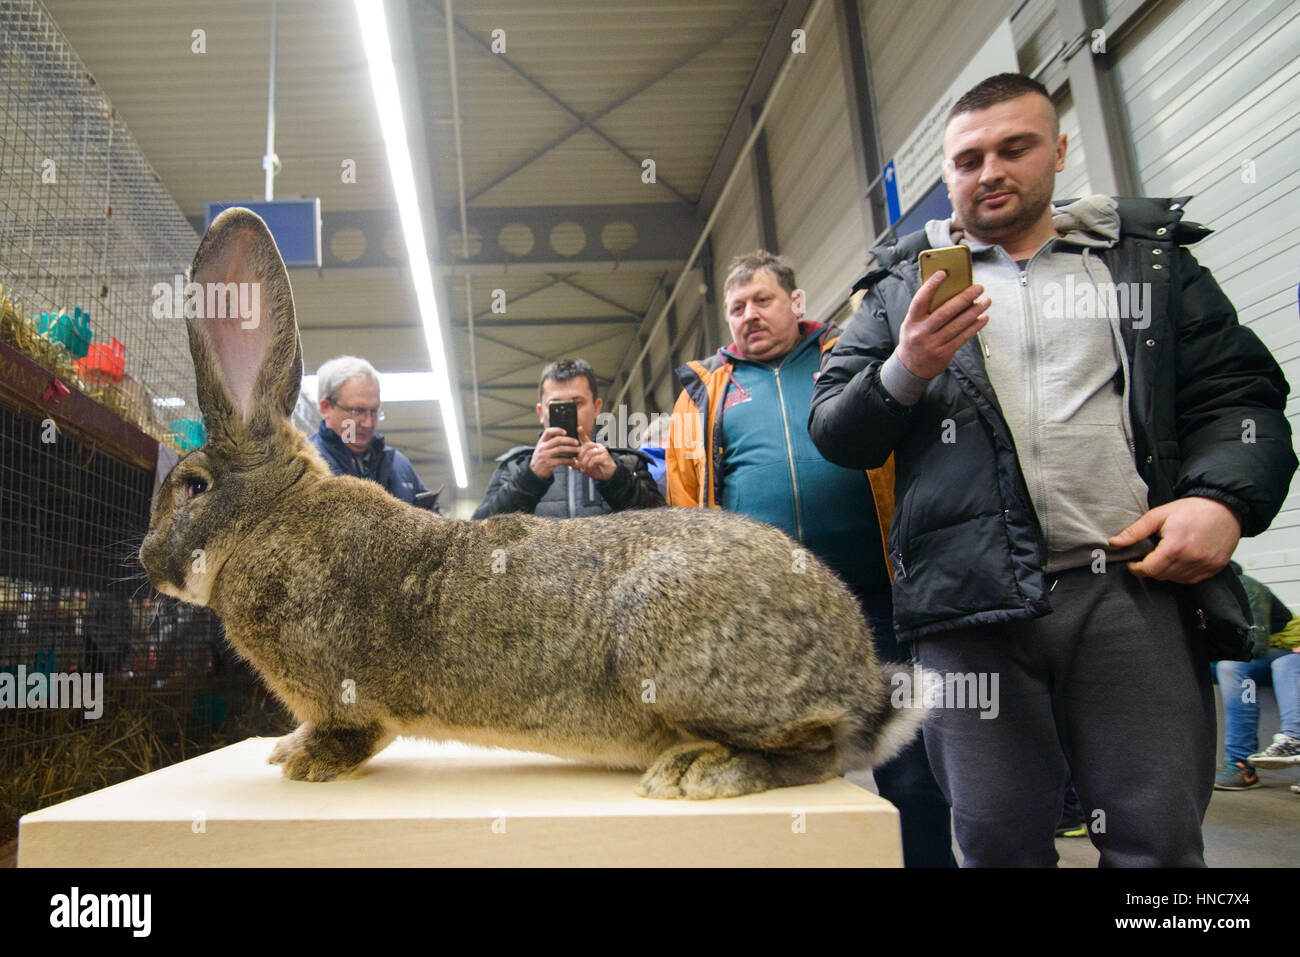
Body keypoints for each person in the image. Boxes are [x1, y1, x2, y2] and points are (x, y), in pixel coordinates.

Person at [808, 72, 1295, 866]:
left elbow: (1239, 395)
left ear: (1060, 151)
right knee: (996, 841)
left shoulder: (1146, 266)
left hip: (1133, 588)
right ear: (948, 174)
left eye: (1015, 147)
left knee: (1158, 841)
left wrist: (1220, 502)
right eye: (968, 159)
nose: (990, 171)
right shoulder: (902, 290)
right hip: (969, 608)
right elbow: (836, 429)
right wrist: (906, 368)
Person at [665, 250, 956, 868]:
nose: (749, 315)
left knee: (910, 773)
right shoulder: (702, 392)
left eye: (763, 300)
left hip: (876, 596)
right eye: (737, 307)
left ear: (796, 304)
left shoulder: (849, 358)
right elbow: (686, 504)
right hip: (766, 620)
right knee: (772, 759)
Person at [472, 358, 664, 519]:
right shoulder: (513, 467)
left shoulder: (629, 465)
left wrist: (615, 479)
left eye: (577, 403)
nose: (568, 413)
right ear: (541, 412)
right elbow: (481, 534)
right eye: (556, 405)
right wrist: (530, 478)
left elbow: (663, 529)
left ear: (596, 408)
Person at [1213, 563, 1300, 789]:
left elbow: (1256, 647)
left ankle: (1293, 739)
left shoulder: (1247, 588)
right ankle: (1241, 765)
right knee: (1230, 667)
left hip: (1287, 651)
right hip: (1270, 657)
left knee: (1282, 665)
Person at [309, 355, 436, 507]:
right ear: (326, 407)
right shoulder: (308, 467)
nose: (368, 423)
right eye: (357, 411)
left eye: (374, 411)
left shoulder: (400, 466)